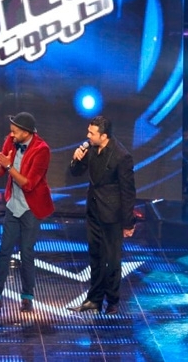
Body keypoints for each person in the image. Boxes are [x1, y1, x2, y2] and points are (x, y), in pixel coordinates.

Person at [0, 112, 54, 313]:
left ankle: (27, 298)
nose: (11, 135)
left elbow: (28, 184)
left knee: (26, 253)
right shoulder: (10, 141)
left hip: (31, 207)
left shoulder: (42, 150)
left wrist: (8, 165)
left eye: (15, 132)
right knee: (4, 250)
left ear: (27, 132)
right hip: (13, 205)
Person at [68, 115, 136, 315]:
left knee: (112, 260)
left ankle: (112, 301)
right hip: (94, 211)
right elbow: (76, 172)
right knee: (95, 257)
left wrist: (128, 223)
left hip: (112, 215)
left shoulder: (121, 156)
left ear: (104, 135)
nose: (88, 136)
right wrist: (76, 159)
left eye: (92, 133)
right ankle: (94, 299)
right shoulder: (90, 149)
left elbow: (128, 191)